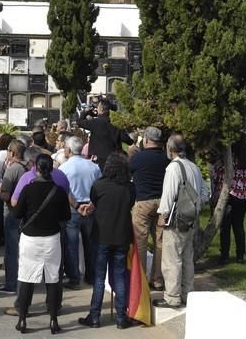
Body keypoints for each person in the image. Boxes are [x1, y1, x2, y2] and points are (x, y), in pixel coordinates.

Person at [11, 154, 70, 334]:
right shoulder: (58, 191)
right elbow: (66, 216)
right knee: (53, 279)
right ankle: (53, 320)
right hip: (51, 239)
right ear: (51, 168)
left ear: (35, 168)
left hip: (30, 239)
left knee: (26, 278)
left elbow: (16, 213)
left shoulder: (28, 190)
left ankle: (22, 318)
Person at [78, 153, 137, 329]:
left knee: (99, 278)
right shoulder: (130, 188)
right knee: (119, 276)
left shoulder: (98, 185)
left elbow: (95, 203)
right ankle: (121, 316)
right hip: (121, 236)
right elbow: (130, 205)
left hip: (102, 236)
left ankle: (94, 316)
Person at [154, 135, 205, 309]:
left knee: (172, 259)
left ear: (170, 149)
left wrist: (162, 215)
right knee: (187, 259)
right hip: (191, 218)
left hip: (176, 220)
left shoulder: (173, 168)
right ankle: (187, 294)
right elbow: (204, 194)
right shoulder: (194, 167)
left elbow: (168, 194)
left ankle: (172, 297)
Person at [129, 126, 170, 290]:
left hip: (143, 201)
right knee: (160, 242)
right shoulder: (167, 158)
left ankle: (140, 280)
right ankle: (158, 279)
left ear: (145, 140)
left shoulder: (138, 158)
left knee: (140, 242)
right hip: (162, 202)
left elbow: (128, 174)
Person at [59, 136, 102, 289]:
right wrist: (91, 204)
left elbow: (64, 191)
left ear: (69, 150)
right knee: (91, 243)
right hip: (90, 207)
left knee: (71, 244)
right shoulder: (94, 167)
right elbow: (99, 187)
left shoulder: (64, 168)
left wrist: (77, 206)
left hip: (73, 207)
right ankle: (91, 276)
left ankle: (74, 278)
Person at [212, 136, 246, 264]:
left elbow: (216, 175)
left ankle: (224, 255)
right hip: (243, 196)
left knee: (225, 227)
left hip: (229, 195)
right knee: (239, 226)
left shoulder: (228, 160)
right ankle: (240, 255)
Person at [0, 140, 28, 295]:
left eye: (8, 150)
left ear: (13, 153)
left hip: (12, 213)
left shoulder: (13, 169)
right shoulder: (28, 168)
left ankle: (11, 283)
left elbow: (5, 194)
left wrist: (0, 190)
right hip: (25, 214)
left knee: (11, 250)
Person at [77, 98, 132, 169]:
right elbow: (127, 140)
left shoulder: (95, 122)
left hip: (99, 160)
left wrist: (85, 111)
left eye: (97, 107)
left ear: (102, 109)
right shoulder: (116, 123)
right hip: (114, 160)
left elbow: (79, 122)